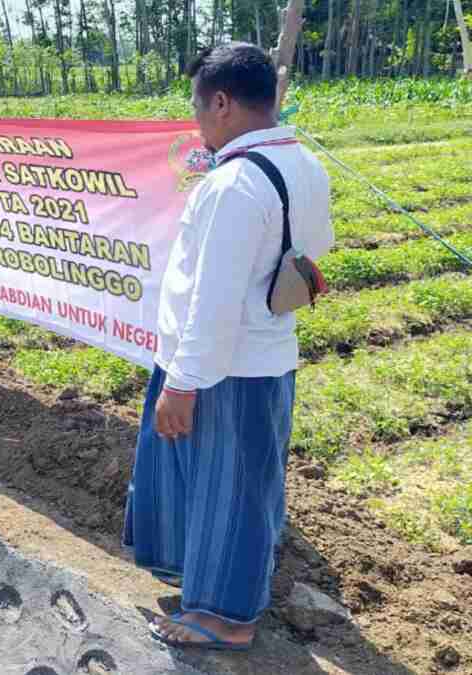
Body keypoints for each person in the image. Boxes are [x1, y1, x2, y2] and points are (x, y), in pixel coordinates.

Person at [124, 42, 334, 651]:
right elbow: (309, 254)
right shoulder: (304, 164)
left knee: (230, 493)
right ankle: (211, 589)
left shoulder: (233, 184)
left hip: (224, 370)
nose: (197, 123)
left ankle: (226, 618)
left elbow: (211, 300)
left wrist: (181, 383)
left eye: (197, 107)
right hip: (265, 355)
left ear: (220, 102)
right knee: (246, 485)